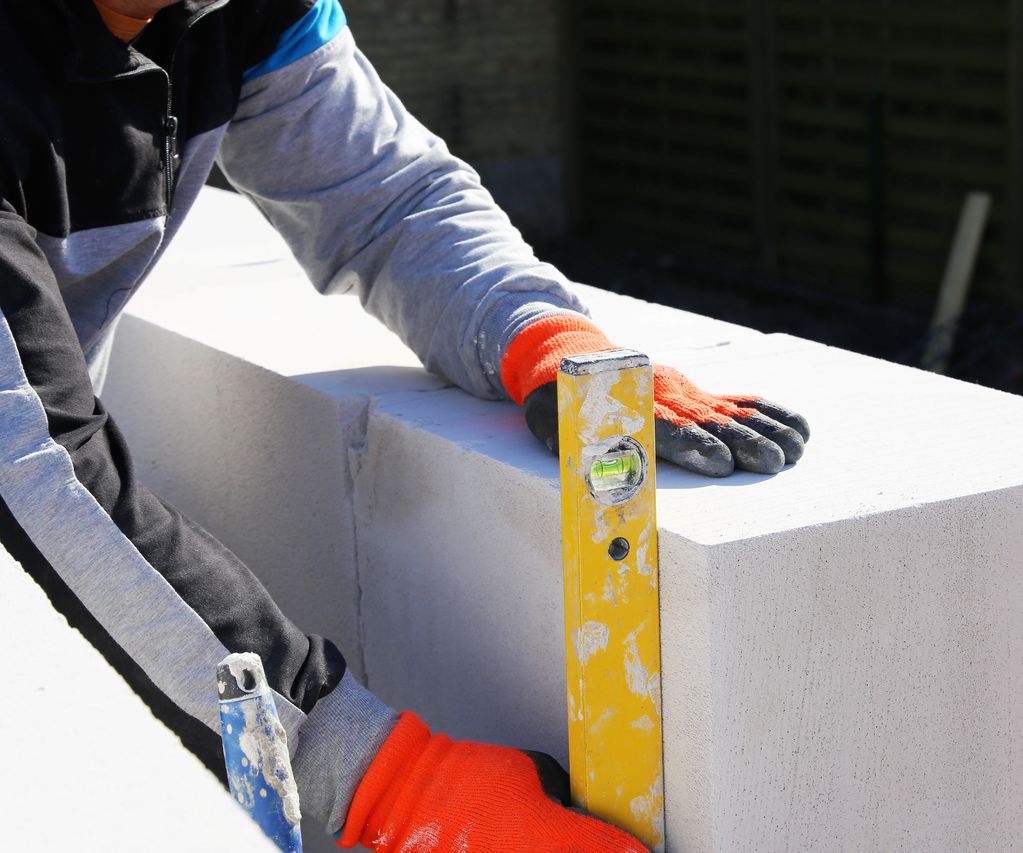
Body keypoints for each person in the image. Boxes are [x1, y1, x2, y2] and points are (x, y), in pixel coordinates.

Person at [0, 0, 810, 849]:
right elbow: (25, 464)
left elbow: (387, 201)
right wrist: (384, 779)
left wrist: (541, 339)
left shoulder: (242, 13)